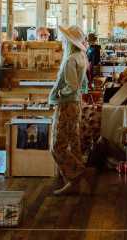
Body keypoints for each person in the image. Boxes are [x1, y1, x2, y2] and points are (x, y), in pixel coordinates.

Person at [49, 25, 91, 195]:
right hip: (76, 104)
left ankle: (77, 172)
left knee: (56, 146)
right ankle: (74, 184)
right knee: (74, 142)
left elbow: (72, 85)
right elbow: (82, 85)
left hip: (66, 104)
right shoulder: (81, 56)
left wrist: (59, 92)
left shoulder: (70, 60)